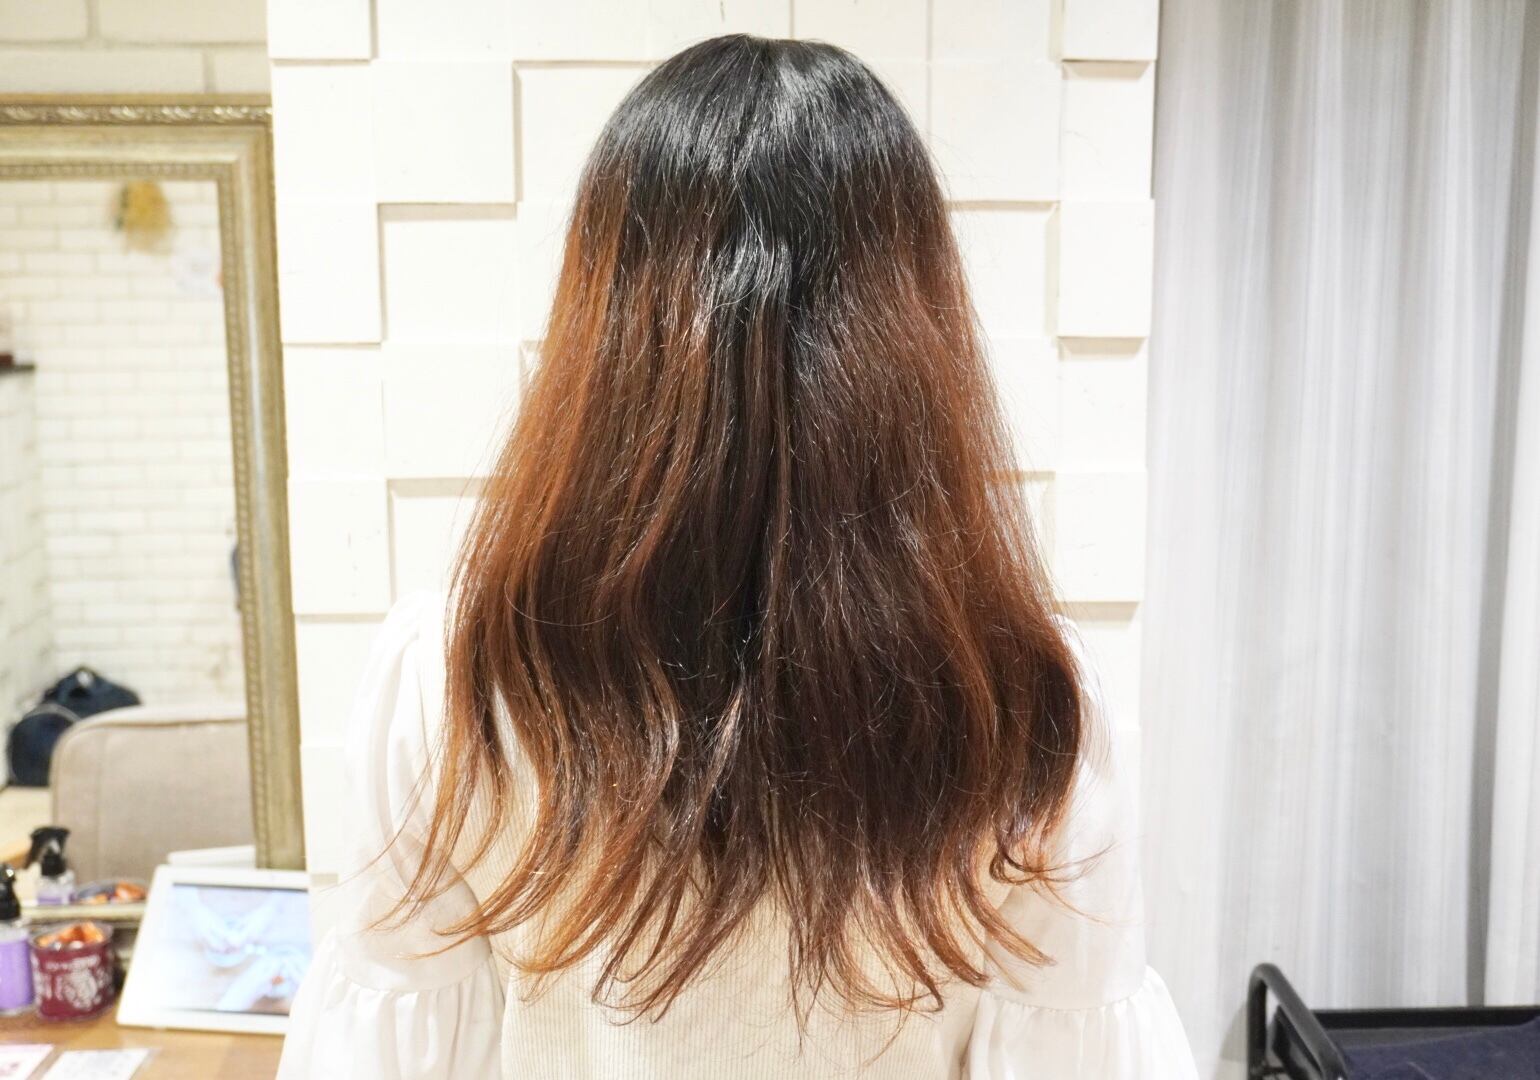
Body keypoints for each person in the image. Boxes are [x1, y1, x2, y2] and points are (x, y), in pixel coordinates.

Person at [278, 34, 1197, 1079]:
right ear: (915, 318)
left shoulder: (460, 670)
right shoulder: (1021, 694)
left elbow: (391, 1056)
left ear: (604, 315)